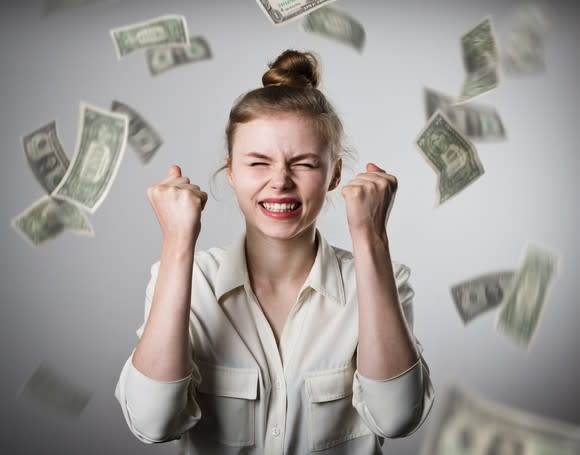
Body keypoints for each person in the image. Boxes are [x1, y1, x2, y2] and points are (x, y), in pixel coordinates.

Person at [115, 49, 434, 454]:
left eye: (303, 164)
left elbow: (397, 418)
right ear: (230, 171)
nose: (280, 182)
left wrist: (370, 238)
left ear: (334, 173)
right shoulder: (189, 281)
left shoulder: (379, 281)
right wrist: (178, 243)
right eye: (258, 163)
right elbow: (152, 422)